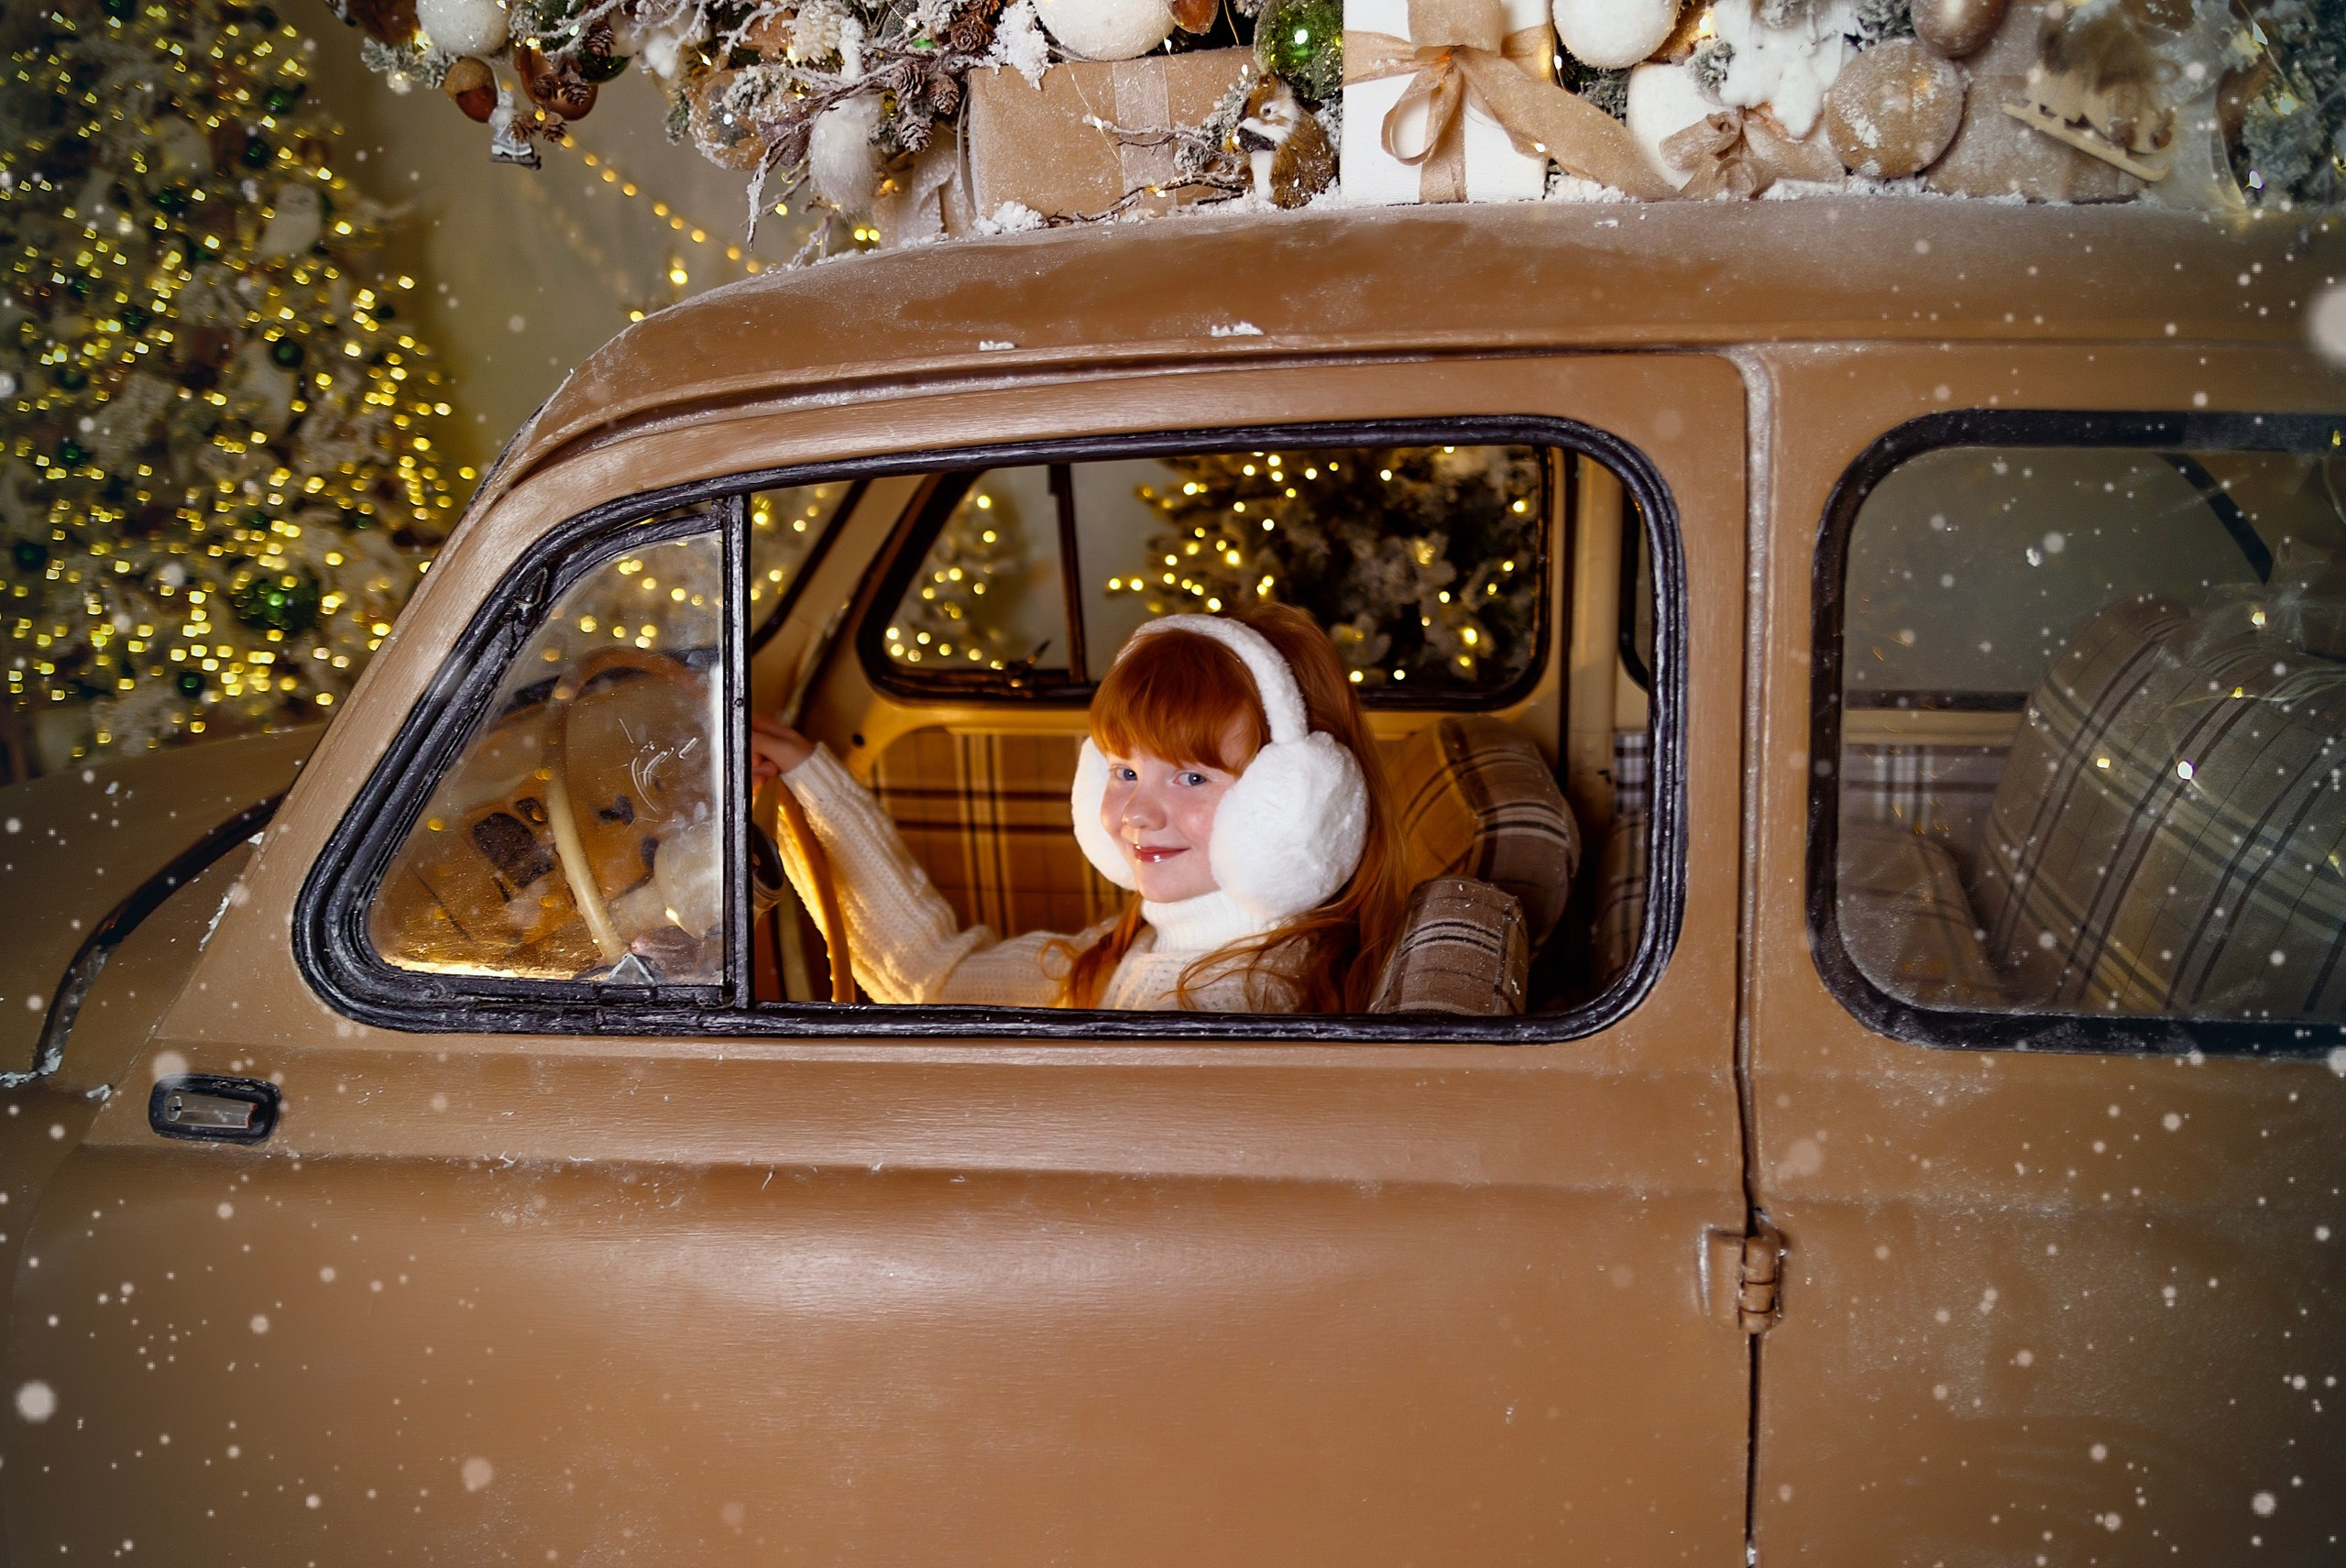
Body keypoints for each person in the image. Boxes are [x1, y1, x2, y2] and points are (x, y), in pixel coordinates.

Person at [750, 604, 1409, 1011]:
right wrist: (806, 783)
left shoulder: (1230, 1008)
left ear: (1295, 803)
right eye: (1123, 769)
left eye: (1191, 778)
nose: (1136, 814)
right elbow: (935, 981)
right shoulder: (1145, 946)